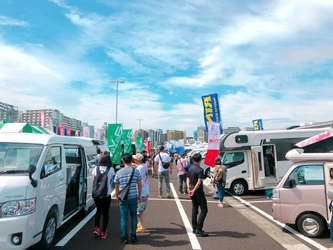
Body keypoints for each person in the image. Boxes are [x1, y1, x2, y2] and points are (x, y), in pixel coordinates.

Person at [114, 154, 142, 244]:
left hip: (123, 198)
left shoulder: (119, 172)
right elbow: (139, 184)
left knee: (123, 218)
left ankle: (124, 237)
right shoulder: (136, 171)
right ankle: (133, 235)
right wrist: (139, 195)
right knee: (134, 216)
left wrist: (117, 196)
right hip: (133, 196)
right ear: (132, 161)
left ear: (123, 161)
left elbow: (116, 186)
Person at [92, 155, 115, 239]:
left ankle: (96, 228)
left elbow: (93, 180)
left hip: (97, 194)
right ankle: (104, 232)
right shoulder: (111, 169)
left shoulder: (96, 168)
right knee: (105, 213)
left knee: (98, 211)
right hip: (106, 194)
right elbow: (111, 180)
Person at [186, 153, 209, 237]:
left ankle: (194, 228)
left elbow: (187, 178)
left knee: (195, 208)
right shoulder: (200, 170)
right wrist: (194, 190)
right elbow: (199, 182)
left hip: (191, 190)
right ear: (200, 160)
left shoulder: (191, 168)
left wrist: (189, 188)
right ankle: (199, 228)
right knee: (204, 209)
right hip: (198, 192)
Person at [132, 153, 149, 233]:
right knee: (141, 209)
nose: (134, 160)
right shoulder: (144, 166)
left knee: (139, 211)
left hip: (140, 191)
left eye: (135, 159)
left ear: (137, 160)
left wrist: (138, 194)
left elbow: (137, 181)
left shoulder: (138, 169)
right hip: (146, 189)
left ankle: (142, 226)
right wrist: (135, 165)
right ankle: (140, 223)